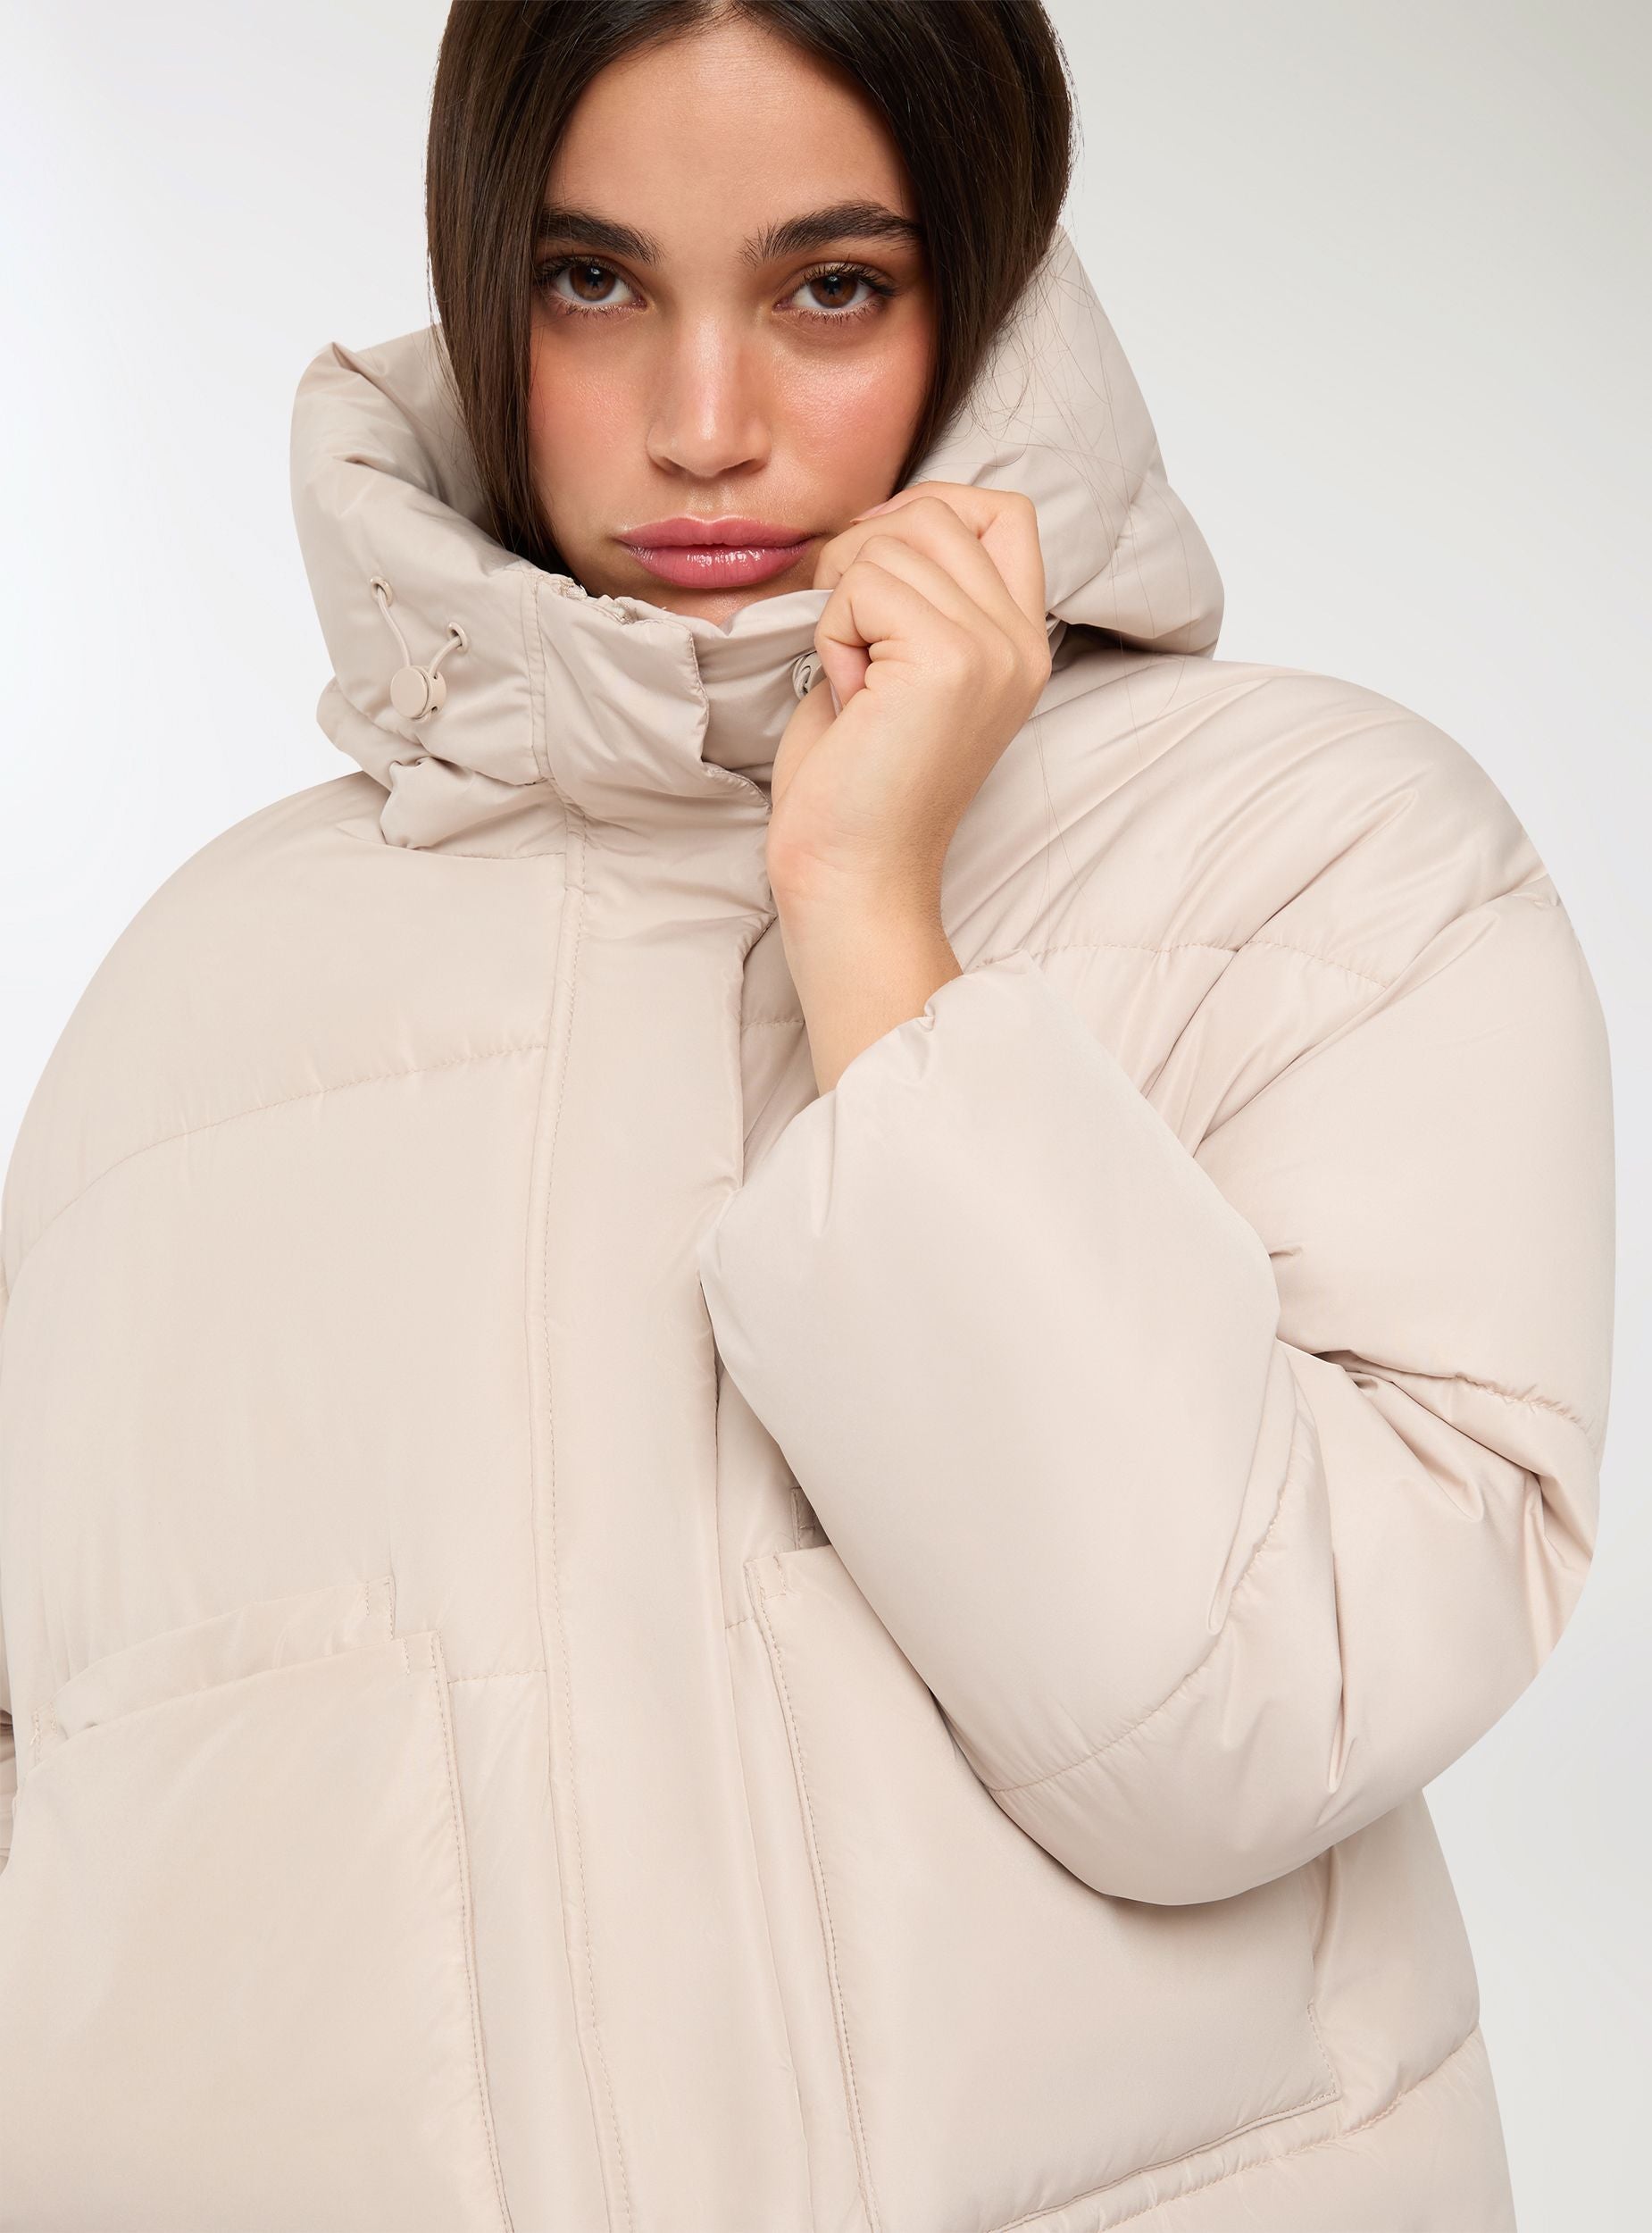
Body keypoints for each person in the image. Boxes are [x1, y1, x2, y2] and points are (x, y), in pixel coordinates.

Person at [0, 3, 1614, 2229]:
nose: (704, 424)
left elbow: (1236, 1719)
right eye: (593, 281)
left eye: (829, 285)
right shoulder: (195, 1001)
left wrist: (870, 922)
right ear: (483, 279)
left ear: (981, 276)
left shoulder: (1316, 863)